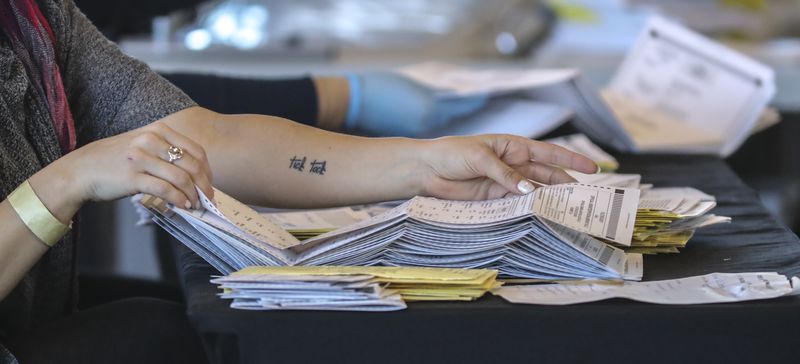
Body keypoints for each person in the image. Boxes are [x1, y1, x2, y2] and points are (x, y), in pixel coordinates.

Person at [0, 0, 598, 363]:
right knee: (152, 335)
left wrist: (424, 165)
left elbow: (208, 138)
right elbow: (82, 175)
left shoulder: (35, 16)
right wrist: (65, 181)